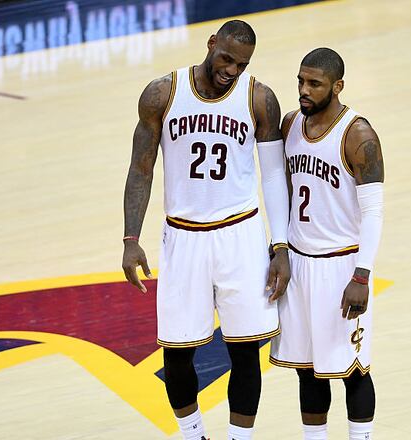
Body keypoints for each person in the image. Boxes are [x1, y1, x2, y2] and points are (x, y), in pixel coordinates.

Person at [121, 20, 290, 440]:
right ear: (211, 44)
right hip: (183, 236)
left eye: (241, 63)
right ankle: (193, 434)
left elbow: (273, 177)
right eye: (227, 58)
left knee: (246, 352)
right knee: (178, 356)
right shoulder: (162, 93)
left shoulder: (259, 98)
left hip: (240, 235)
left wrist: (281, 244)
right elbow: (142, 167)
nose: (231, 70)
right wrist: (130, 238)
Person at [269, 47, 385, 440]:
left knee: (353, 370)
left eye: (314, 84)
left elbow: (374, 214)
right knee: (307, 368)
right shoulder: (289, 126)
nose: (303, 90)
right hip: (300, 264)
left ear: (337, 86)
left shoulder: (359, 135)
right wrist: (279, 250)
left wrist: (362, 276)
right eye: (300, 81)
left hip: (341, 266)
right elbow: (284, 193)